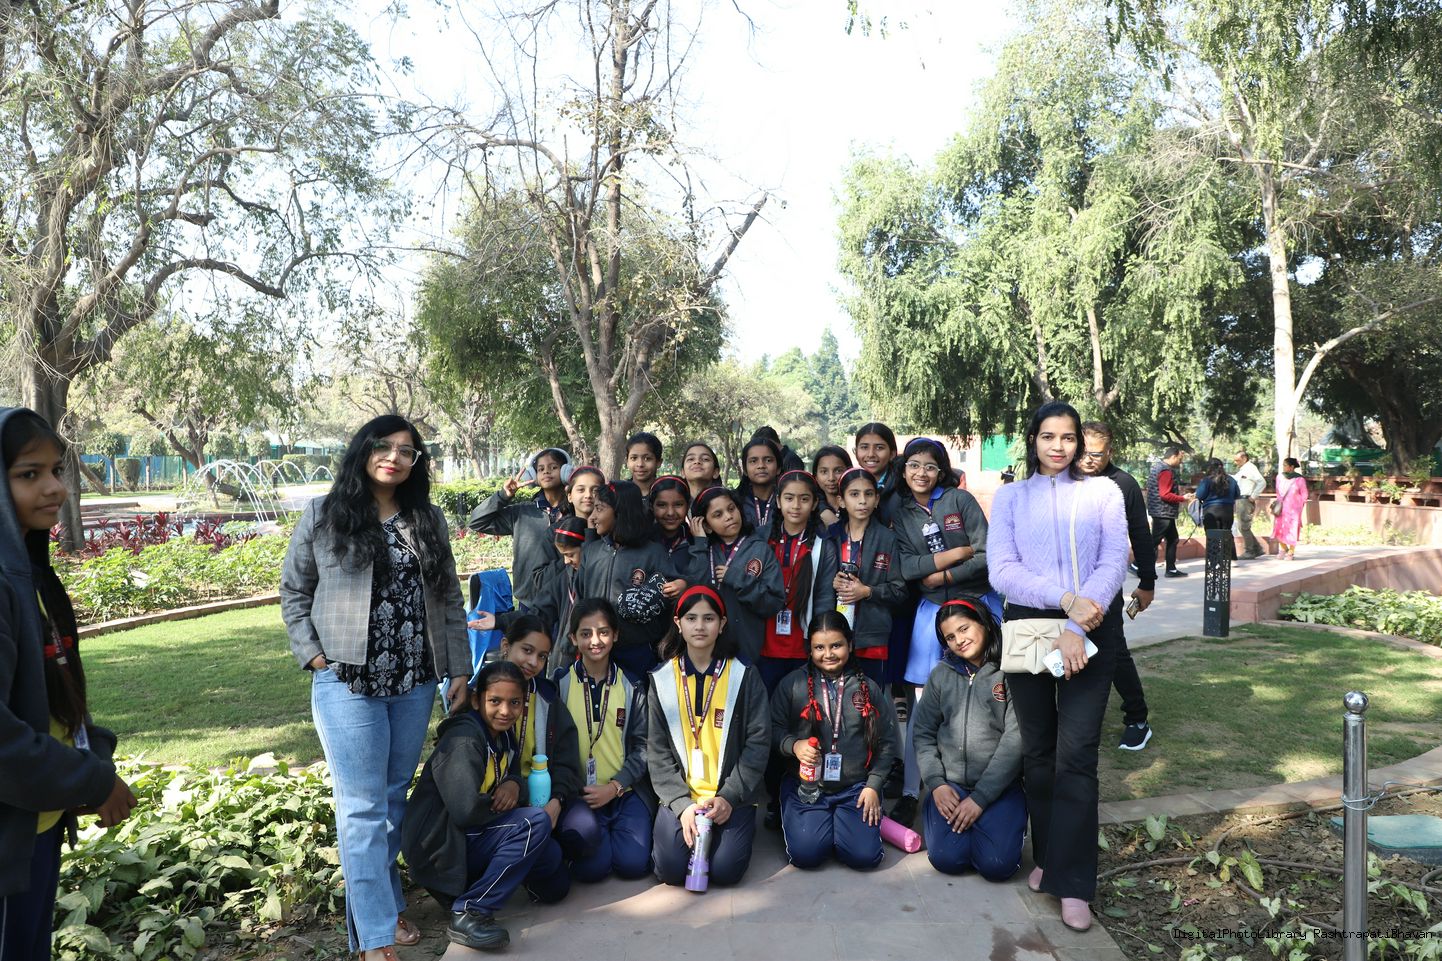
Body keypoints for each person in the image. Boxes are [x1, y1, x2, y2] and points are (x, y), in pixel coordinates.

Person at [280, 415, 472, 959]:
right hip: (347, 680)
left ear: (416, 462)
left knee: (391, 802)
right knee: (362, 808)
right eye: (384, 446)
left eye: (407, 451)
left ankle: (382, 906)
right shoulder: (324, 514)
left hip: (413, 680)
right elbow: (294, 590)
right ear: (363, 450)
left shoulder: (426, 518)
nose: (394, 456)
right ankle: (374, 937)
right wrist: (312, 653)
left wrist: (458, 668)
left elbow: (449, 597)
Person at [1, 408, 137, 960]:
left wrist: (92, 754)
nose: (54, 488)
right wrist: (91, 780)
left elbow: (48, 694)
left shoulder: (29, 574)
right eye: (28, 474)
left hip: (37, 824)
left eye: (56, 470)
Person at [989, 401, 1129, 932]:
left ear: (1080, 443)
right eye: (1048, 436)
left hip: (1092, 629)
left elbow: (1113, 561)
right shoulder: (1011, 497)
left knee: (1077, 755)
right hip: (1030, 628)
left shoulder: (1105, 492)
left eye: (1068, 437)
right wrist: (1064, 600)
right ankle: (1049, 857)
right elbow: (1003, 570)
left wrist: (1077, 623)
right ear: (1034, 440)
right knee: (1039, 753)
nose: (1058, 446)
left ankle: (1073, 883)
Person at [401, 662, 570, 952]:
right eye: (495, 701)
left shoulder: (503, 734)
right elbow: (466, 811)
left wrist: (514, 784)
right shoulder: (464, 740)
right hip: (441, 848)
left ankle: (496, 884)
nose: (505, 711)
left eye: (514, 702)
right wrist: (513, 803)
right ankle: (469, 911)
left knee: (554, 876)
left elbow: (514, 775)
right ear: (477, 700)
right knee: (533, 824)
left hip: (470, 834)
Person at [891, 437, 992, 827]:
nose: (922, 473)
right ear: (904, 470)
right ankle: (911, 791)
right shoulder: (901, 513)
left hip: (977, 605)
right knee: (922, 705)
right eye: (914, 465)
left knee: (985, 696)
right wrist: (954, 555)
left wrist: (944, 575)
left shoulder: (959, 501)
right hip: (931, 611)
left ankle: (982, 788)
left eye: (930, 466)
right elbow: (907, 566)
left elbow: (985, 553)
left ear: (941, 471)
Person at [647, 586, 770, 886]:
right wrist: (681, 804)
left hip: (730, 794)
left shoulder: (744, 674)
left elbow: (758, 742)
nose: (699, 626)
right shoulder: (663, 678)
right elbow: (657, 750)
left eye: (709, 618)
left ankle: (729, 830)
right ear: (678, 623)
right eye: (691, 618)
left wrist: (730, 796)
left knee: (726, 871)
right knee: (671, 871)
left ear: (722, 624)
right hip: (683, 794)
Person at [769, 611, 898, 870]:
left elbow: (887, 741)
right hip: (806, 786)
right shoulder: (792, 684)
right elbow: (771, 729)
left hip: (855, 788)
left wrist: (873, 785)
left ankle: (844, 822)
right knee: (807, 856)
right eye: (819, 647)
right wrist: (793, 745)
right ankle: (811, 819)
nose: (828, 654)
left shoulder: (868, 688)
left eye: (836, 645)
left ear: (850, 644)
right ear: (810, 649)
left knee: (864, 858)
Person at [912, 600, 1026, 880]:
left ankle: (1008, 822)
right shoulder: (941, 674)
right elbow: (923, 732)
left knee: (997, 866)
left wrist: (981, 798)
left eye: (964, 629)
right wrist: (936, 784)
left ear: (984, 623)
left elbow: (1015, 738)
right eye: (950, 637)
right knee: (947, 860)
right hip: (951, 786)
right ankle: (945, 816)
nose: (959, 640)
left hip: (998, 787)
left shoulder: (1009, 670)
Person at [552, 599, 655, 881]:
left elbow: (643, 747)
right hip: (580, 794)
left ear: (616, 635)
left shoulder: (632, 686)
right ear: (573, 638)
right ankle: (598, 842)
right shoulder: (560, 684)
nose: (595, 641)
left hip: (624, 790)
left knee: (633, 865)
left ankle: (614, 835)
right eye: (585, 634)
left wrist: (615, 786)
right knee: (591, 870)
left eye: (603, 632)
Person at [759, 470, 838, 829]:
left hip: (799, 647)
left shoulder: (822, 546)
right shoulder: (761, 540)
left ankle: (795, 795)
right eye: (789, 498)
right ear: (778, 501)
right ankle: (772, 796)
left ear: (814, 503)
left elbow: (824, 599)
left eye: (804, 499)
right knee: (765, 724)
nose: (796, 505)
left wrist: (817, 645)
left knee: (799, 723)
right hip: (763, 647)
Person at [1078, 422, 1156, 752]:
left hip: (1105, 584)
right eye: (1082, 451)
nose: (1088, 459)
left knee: (1113, 651)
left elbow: (1140, 535)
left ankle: (1137, 719)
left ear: (1110, 452)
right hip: (1066, 585)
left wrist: (1147, 582)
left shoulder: (1123, 484)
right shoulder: (1064, 478)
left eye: (1096, 454)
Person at [577, 481, 679, 674]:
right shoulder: (591, 551)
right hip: (594, 649)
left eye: (599, 508)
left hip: (637, 654)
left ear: (620, 511)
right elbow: (580, 597)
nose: (593, 516)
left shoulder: (653, 553)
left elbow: (669, 598)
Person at [494, 616, 582, 834]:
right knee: (550, 852)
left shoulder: (548, 699)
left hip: (541, 799)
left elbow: (566, 760)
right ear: (506, 646)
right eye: (527, 650)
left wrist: (557, 800)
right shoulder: (481, 696)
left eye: (542, 656)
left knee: (584, 830)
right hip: (496, 803)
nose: (533, 662)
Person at [819, 468, 906, 686]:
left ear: (877, 500)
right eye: (854, 494)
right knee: (833, 697)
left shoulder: (888, 539)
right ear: (841, 501)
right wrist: (831, 584)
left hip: (872, 636)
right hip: (832, 636)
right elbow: (816, 588)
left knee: (870, 698)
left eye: (868, 494)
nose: (862, 501)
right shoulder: (829, 537)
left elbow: (900, 591)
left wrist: (867, 591)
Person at [686, 487, 785, 665]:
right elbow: (693, 591)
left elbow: (773, 603)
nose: (728, 516)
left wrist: (738, 579)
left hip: (748, 647)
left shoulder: (760, 549)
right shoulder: (703, 552)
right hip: (708, 651)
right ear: (706, 525)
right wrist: (700, 543)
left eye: (731, 509)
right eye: (718, 515)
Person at [468, 448, 572, 607]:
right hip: (529, 603)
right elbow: (477, 521)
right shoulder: (521, 512)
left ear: (566, 472)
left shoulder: (576, 513)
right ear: (533, 475)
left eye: (553, 467)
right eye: (541, 469)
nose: (546, 472)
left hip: (568, 600)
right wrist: (503, 496)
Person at [1145, 445, 1191, 578]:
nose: (1180, 462)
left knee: (1173, 539)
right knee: (1155, 541)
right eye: (1180, 459)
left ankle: (1171, 569)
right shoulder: (1166, 471)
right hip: (1163, 511)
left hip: (1161, 510)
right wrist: (1182, 498)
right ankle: (1138, 565)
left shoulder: (1157, 467)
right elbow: (1165, 494)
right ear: (1173, 456)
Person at [649, 475, 703, 582]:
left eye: (678, 504)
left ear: (688, 505)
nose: (670, 513)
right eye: (662, 505)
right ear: (651, 506)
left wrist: (700, 542)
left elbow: (702, 578)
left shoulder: (695, 541)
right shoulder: (644, 540)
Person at [853, 422, 903, 527]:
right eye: (864, 447)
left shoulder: (904, 485)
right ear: (856, 453)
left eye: (879, 448)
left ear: (892, 454)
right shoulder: (851, 482)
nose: (871, 454)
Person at [1195, 458, 1241, 560]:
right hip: (1227, 510)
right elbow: (1237, 494)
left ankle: (1213, 560)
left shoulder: (1207, 480)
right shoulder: (1231, 480)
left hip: (1211, 510)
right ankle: (1230, 558)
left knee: (1212, 536)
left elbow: (1199, 495)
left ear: (1209, 468)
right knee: (1227, 533)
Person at [736, 435, 782, 530]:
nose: (761, 465)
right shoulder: (733, 501)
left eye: (768, 460)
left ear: (778, 468)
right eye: (753, 461)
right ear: (745, 470)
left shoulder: (788, 500)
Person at [1272, 458, 1310, 561]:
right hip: (1281, 508)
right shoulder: (1280, 477)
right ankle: (1284, 549)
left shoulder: (1299, 479)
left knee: (1292, 530)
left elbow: (1304, 494)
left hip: (1294, 510)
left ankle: (1291, 552)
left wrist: (1300, 506)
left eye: (1285, 465)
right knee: (1278, 529)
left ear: (1292, 467)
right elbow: (1278, 492)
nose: (1283, 467)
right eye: (1283, 465)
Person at [811, 445, 854, 532]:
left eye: (838, 471)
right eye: (824, 472)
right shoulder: (810, 507)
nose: (831, 478)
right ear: (816, 476)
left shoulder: (858, 505)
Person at [1232, 451, 1266, 559]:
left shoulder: (1250, 468)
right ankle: (1257, 549)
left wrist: (1254, 496)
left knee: (1244, 526)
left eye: (1237, 460)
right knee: (1242, 526)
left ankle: (1250, 551)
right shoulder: (1243, 470)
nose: (1235, 462)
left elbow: (1262, 482)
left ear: (1244, 458)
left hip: (1245, 500)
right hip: (1240, 499)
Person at [626, 432, 663, 498]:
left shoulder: (666, 494)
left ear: (658, 462)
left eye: (647, 458)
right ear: (627, 461)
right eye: (634, 458)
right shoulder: (618, 494)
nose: (640, 464)